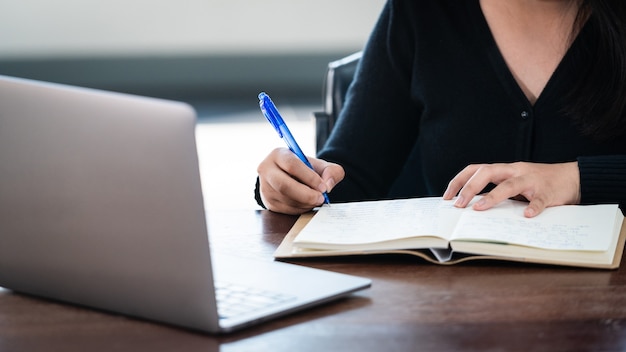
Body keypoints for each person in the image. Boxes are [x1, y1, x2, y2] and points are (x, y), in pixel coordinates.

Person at [255, 0, 626, 217]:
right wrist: (289, 184)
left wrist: (576, 179)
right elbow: (351, 175)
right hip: (451, 309)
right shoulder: (421, 11)